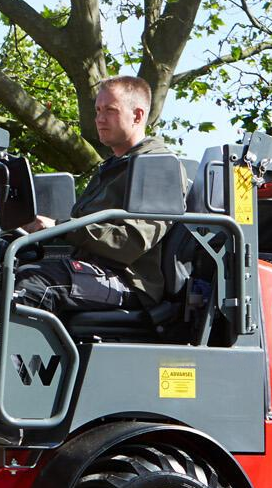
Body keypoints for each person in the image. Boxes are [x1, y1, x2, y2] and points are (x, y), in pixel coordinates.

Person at [13, 76, 181, 314]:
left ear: (138, 115)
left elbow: (130, 243)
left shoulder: (156, 166)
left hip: (128, 283)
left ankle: (17, 353)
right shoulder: (112, 166)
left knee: (32, 284)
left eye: (110, 110)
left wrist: (61, 227)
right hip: (96, 271)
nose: (100, 119)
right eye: (98, 110)